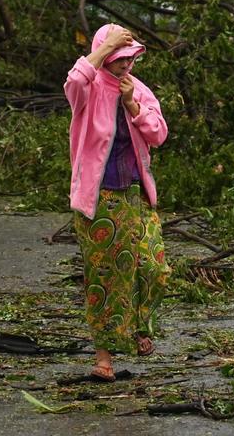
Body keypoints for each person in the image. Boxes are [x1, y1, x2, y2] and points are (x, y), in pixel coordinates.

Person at [64, 23, 171, 381]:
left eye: (131, 58)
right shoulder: (89, 88)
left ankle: (141, 326)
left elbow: (158, 134)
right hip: (100, 199)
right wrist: (104, 46)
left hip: (136, 196)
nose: (127, 65)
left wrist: (132, 104)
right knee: (106, 276)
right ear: (106, 55)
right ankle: (104, 357)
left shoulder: (137, 89)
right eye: (119, 58)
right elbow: (74, 81)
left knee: (153, 266)